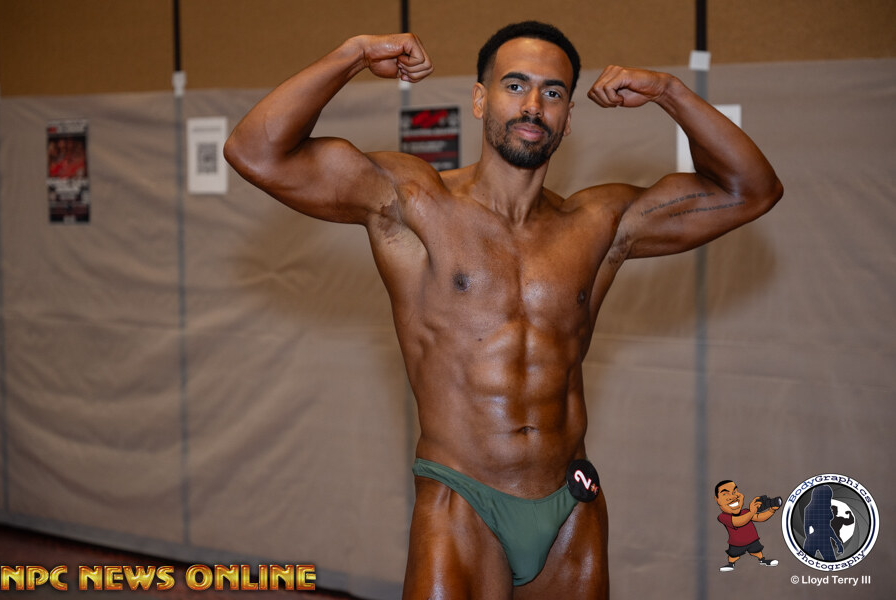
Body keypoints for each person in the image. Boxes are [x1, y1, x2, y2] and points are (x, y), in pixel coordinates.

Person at [225, 20, 783, 599]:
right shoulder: (413, 201)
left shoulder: (599, 223)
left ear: (568, 116)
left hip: (570, 504)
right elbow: (254, 151)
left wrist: (670, 91)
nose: (533, 105)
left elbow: (751, 190)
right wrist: (354, 53)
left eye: (552, 92)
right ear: (479, 99)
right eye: (515, 86)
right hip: (462, 496)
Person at [714, 480, 780, 572]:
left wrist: (771, 510)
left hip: (752, 540)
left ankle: (762, 560)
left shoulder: (746, 512)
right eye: (725, 494)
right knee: (733, 555)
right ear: (717, 499)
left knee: (757, 551)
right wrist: (752, 511)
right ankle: (731, 564)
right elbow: (738, 522)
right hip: (736, 543)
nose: (733, 497)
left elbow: (759, 517)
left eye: (735, 492)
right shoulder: (723, 517)